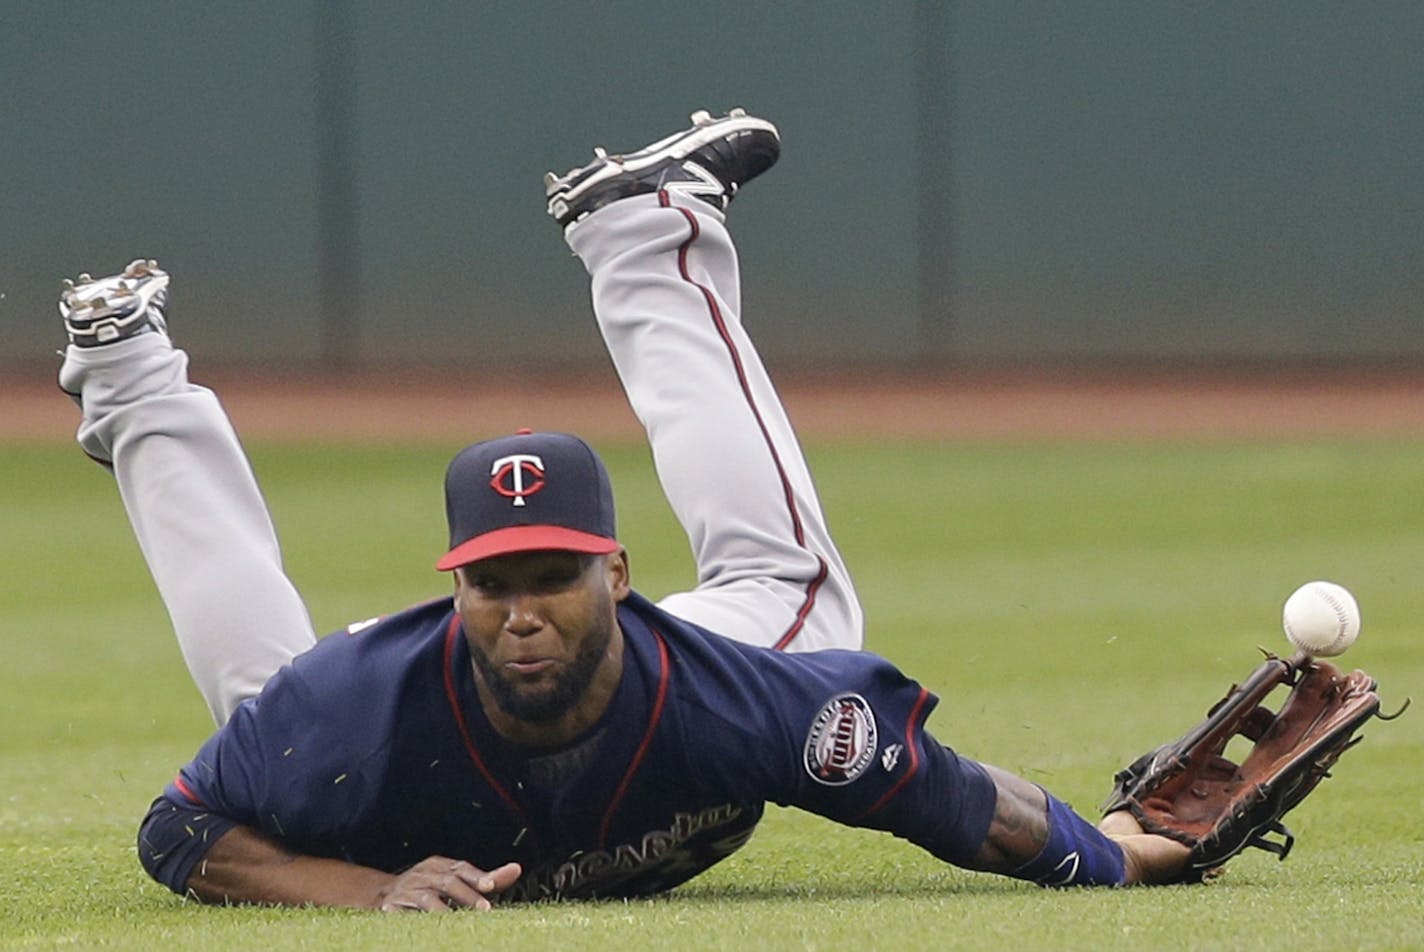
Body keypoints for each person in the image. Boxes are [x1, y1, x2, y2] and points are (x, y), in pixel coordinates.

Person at [59, 109, 1189, 911]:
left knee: (789, 614)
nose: (522, 610)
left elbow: (959, 802)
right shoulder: (347, 711)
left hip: (678, 673)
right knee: (280, 721)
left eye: (551, 574)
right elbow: (180, 832)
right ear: (452, 586)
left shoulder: (753, 704)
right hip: (369, 721)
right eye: (493, 582)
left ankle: (644, 230)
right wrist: (365, 892)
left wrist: (1118, 855)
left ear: (614, 571)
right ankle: (642, 230)